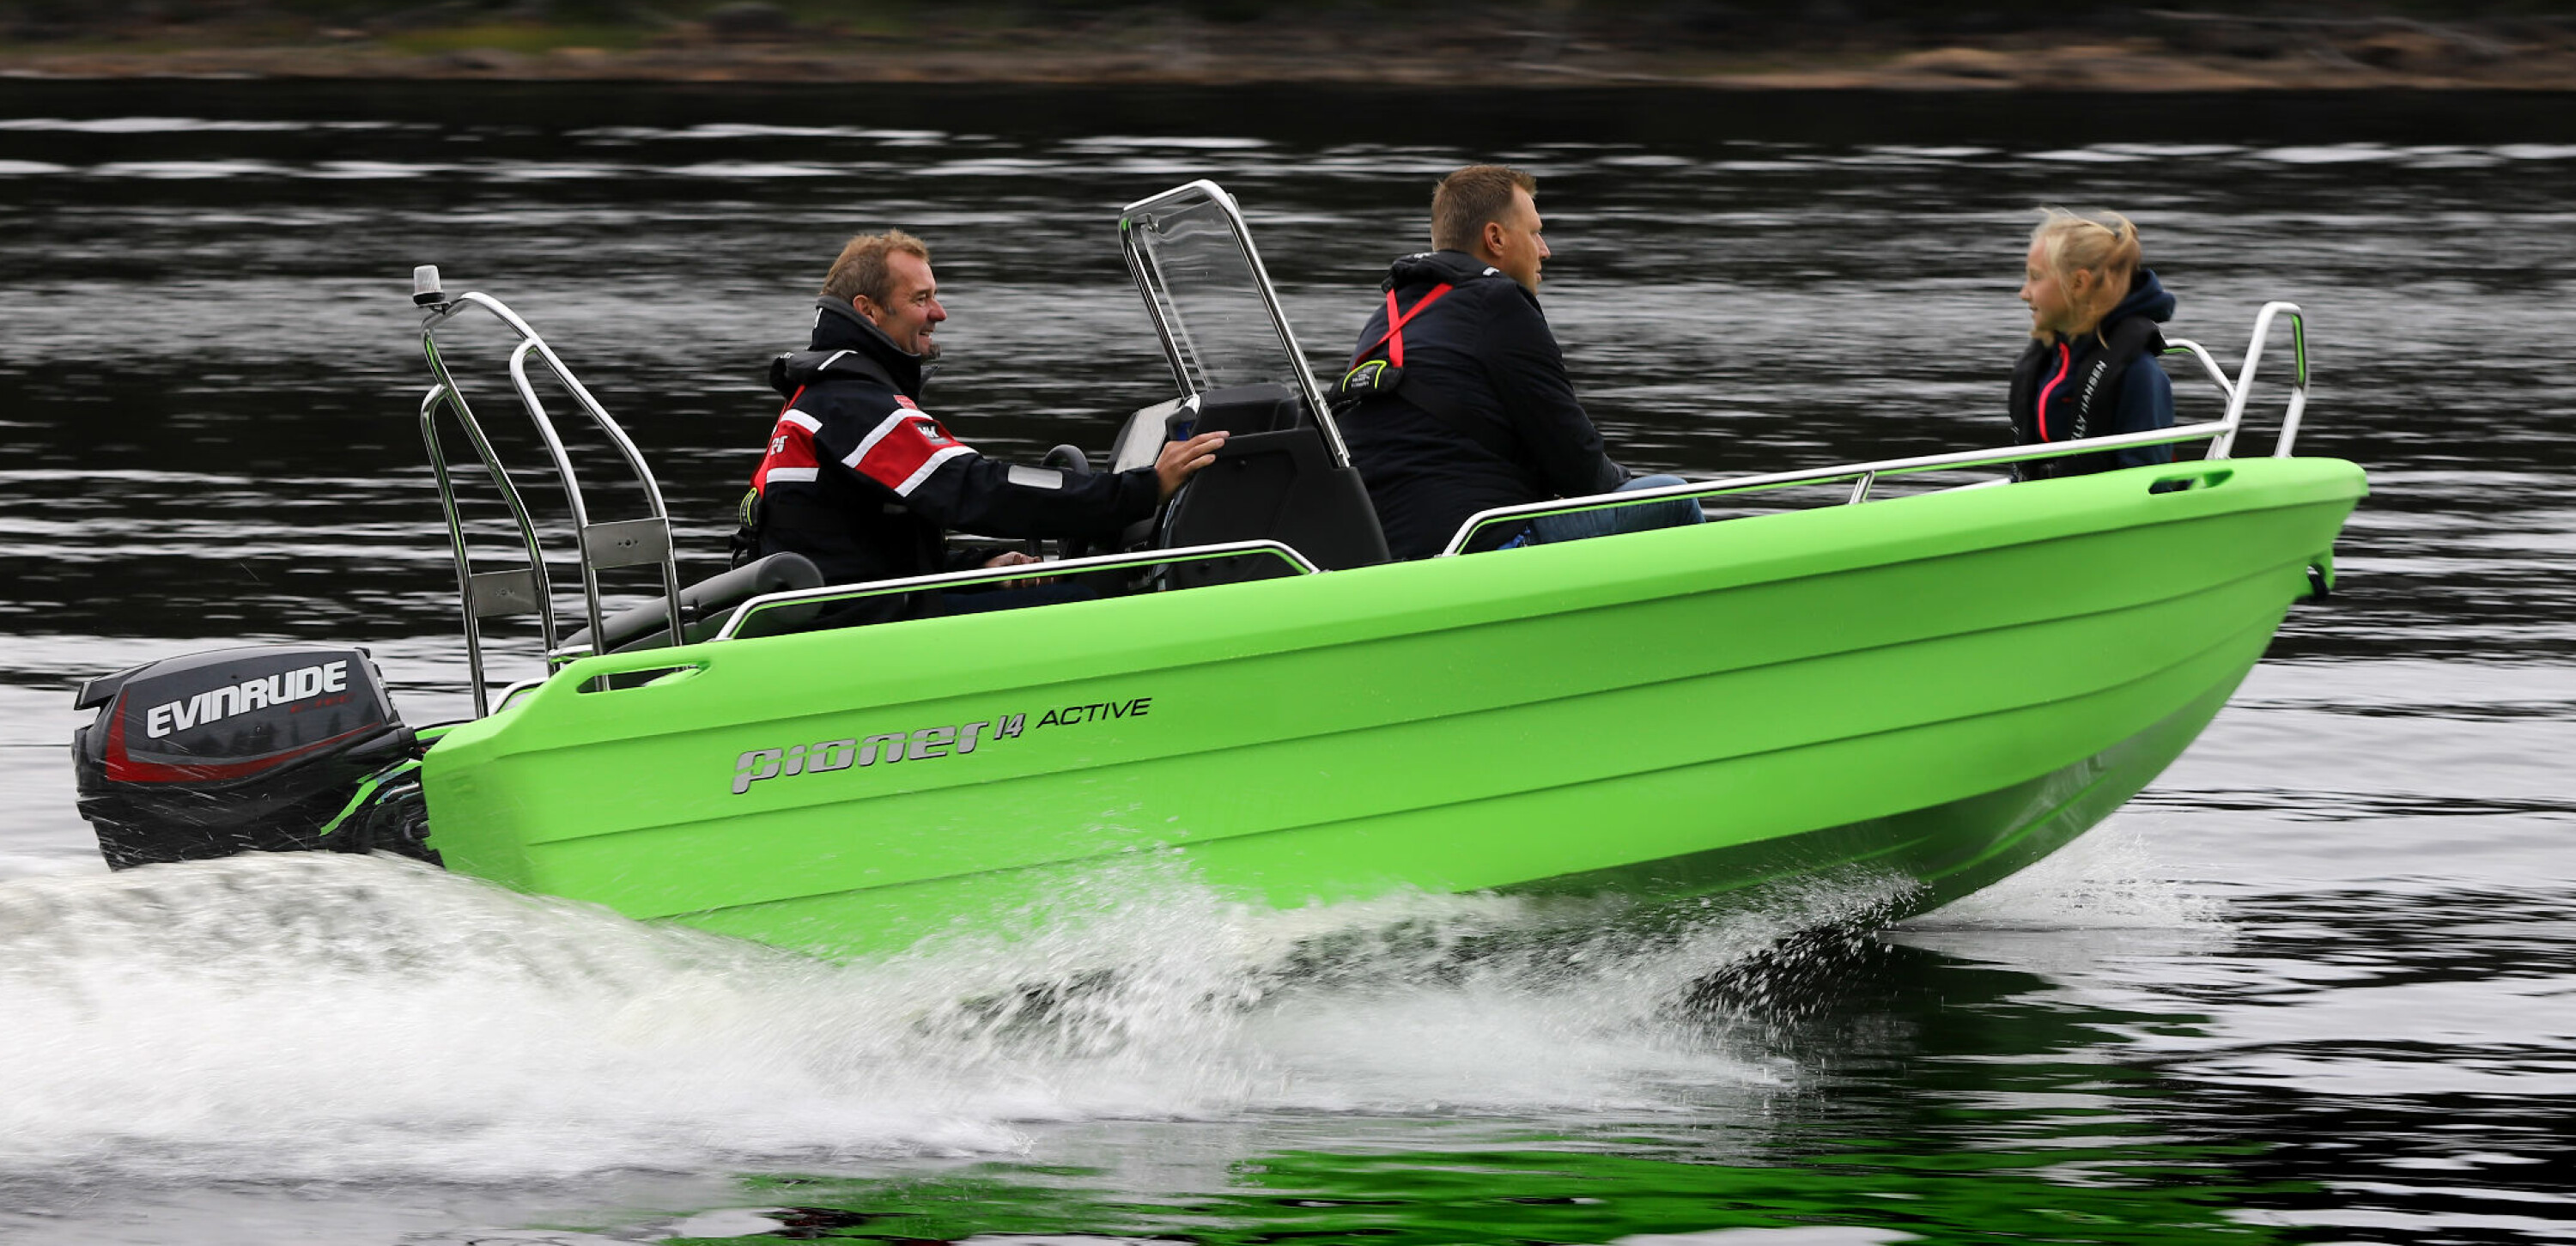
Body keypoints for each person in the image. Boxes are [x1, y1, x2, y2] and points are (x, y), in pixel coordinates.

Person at [731, 229, 1225, 624]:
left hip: (853, 614)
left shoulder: (829, 393)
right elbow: (975, 489)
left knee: (1061, 590)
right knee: (1079, 604)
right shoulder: (852, 403)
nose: (939, 313)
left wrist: (973, 571)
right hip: (854, 632)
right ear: (868, 311)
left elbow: (861, 554)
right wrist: (1140, 489)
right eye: (921, 298)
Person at [1334, 164, 1700, 559]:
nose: (1545, 250)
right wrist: (1622, 481)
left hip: (1386, 558)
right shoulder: (1499, 302)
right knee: (1673, 497)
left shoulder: (1387, 320)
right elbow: (1581, 469)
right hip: (1479, 550)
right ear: (1496, 238)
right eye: (1535, 232)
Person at [2008, 208, 2178, 480]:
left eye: (2036, 277)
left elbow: (2149, 485)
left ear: (2079, 283)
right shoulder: (2049, 362)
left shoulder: (2139, 373)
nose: (2024, 293)